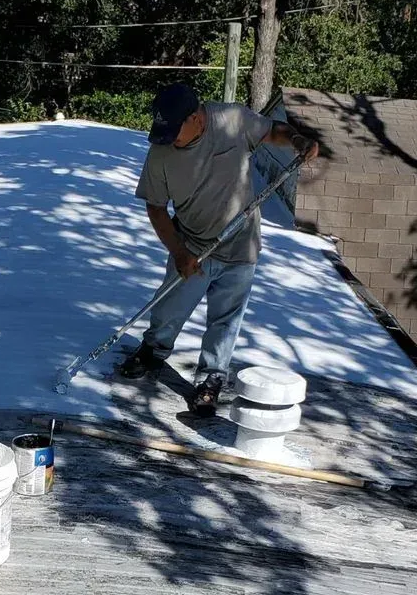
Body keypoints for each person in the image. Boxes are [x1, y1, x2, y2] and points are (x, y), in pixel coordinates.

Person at [123, 82, 317, 415]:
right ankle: (153, 349)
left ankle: (211, 379)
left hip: (241, 245)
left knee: (225, 320)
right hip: (192, 244)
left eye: (174, 131)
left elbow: (274, 131)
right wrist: (180, 252)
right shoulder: (161, 153)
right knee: (170, 306)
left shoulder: (232, 121)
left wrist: (297, 140)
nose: (168, 139)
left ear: (196, 118)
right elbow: (156, 208)